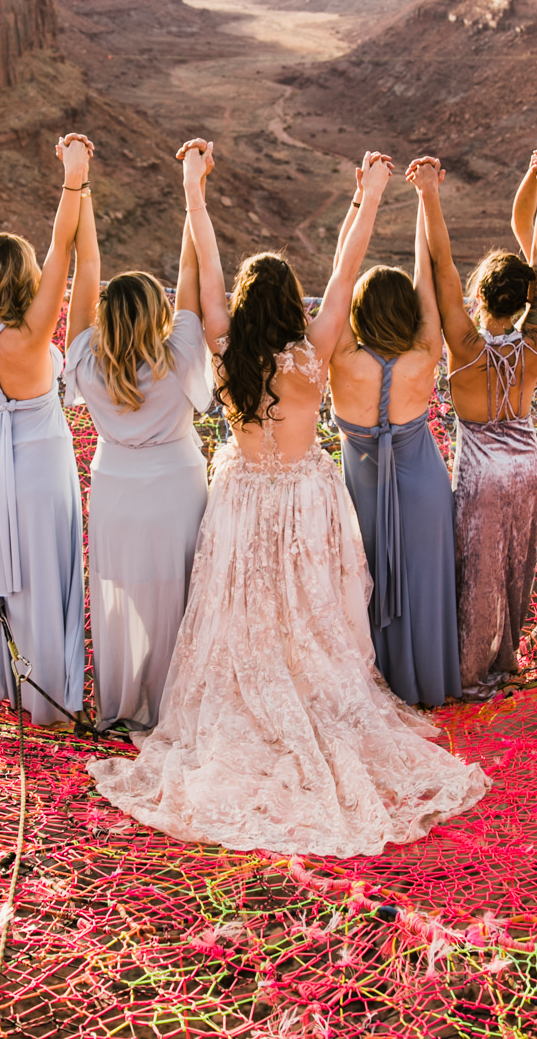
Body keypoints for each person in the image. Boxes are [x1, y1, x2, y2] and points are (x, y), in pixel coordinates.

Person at [89, 142, 488, 858]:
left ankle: (252, 709)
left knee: (245, 610)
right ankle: (312, 696)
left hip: (242, 495)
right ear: (287, 301)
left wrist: (193, 190)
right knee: (310, 609)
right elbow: (344, 268)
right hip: (306, 494)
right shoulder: (313, 345)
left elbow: (205, 268)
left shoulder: (223, 344)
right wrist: (367, 192)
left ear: (244, 304)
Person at [64, 147, 214, 731]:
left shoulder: (88, 359)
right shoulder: (178, 351)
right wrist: (190, 187)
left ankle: (124, 702)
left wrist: (80, 189)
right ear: (157, 313)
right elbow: (191, 277)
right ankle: (178, 704)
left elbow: (86, 270)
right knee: (179, 595)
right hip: (177, 486)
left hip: (116, 488)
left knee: (122, 597)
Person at [0, 126, 93, 725]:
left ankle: (6, 687)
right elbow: (64, 246)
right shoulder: (33, 334)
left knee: (0, 569)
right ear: (26, 276)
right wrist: (74, 176)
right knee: (44, 569)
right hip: (35, 457)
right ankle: (49, 698)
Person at [410, 147, 537, 690]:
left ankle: (470, 671)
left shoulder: (466, 347)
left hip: (482, 474)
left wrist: (429, 194)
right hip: (525, 466)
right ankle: (505, 658)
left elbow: (442, 264)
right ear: (523, 302)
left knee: (478, 573)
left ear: (478, 296)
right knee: (516, 565)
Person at [328, 156, 460, 708]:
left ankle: (372, 693)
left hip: (359, 496)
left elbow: (341, 270)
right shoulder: (426, 352)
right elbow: (427, 273)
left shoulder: (339, 356)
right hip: (424, 488)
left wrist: (365, 198)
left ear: (354, 312)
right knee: (426, 591)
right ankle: (427, 687)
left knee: (362, 591)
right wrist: (425, 196)